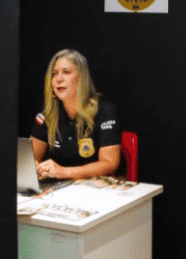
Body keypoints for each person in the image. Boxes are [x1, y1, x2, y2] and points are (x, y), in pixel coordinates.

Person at [29, 49, 120, 180]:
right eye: (54, 74)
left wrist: (65, 172)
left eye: (66, 72)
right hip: (58, 187)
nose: (58, 79)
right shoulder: (48, 111)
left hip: (95, 189)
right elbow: (30, 159)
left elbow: (110, 164)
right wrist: (35, 168)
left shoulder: (105, 109)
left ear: (82, 77)